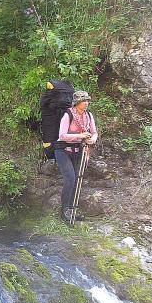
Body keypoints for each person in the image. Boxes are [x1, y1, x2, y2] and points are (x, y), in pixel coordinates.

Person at [55, 90, 98, 223]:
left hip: (78, 150)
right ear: (77, 102)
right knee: (70, 178)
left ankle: (72, 210)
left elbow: (94, 132)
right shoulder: (68, 115)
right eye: (83, 101)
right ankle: (65, 210)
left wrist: (92, 139)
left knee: (78, 179)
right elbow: (62, 135)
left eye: (87, 101)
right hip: (63, 150)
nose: (86, 103)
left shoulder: (88, 115)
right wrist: (80, 136)